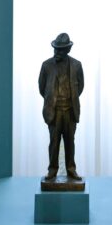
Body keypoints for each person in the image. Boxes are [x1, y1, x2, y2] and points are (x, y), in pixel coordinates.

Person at [38, 33, 84, 181]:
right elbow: (42, 88)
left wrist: (70, 100)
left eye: (60, 49)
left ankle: (71, 169)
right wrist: (52, 101)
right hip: (54, 111)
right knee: (54, 142)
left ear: (68, 50)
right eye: (55, 48)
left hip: (70, 111)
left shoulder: (76, 65)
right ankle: (52, 170)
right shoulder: (46, 65)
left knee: (70, 142)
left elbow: (80, 87)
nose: (56, 51)